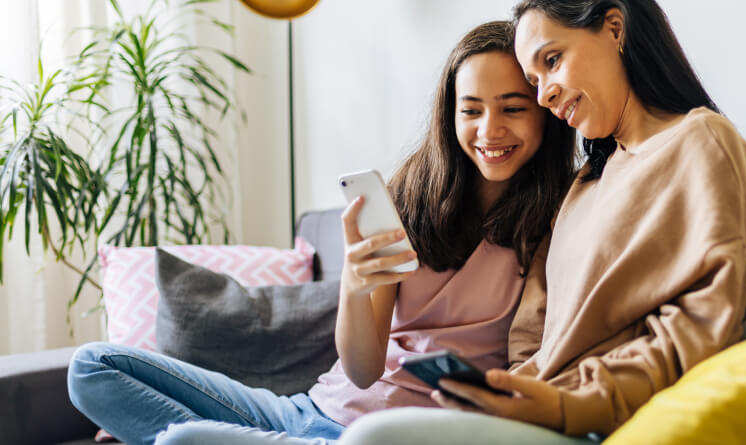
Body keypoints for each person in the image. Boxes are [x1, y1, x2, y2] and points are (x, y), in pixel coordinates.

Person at [66, 20, 576, 445]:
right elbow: (360, 370)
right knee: (91, 366)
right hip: (305, 410)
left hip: (388, 434)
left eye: (513, 108)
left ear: (546, 115)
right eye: (471, 110)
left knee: (179, 440)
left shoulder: (558, 221)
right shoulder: (406, 197)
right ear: (450, 115)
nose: (489, 130)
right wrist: (355, 284)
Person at [337, 0, 746, 444]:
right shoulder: (587, 182)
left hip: (578, 418)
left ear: (614, 29)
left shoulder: (701, 142)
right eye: (534, 80)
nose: (544, 94)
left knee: (371, 437)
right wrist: (512, 392)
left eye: (552, 61)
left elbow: (697, 333)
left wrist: (562, 406)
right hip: (522, 411)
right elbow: (532, 332)